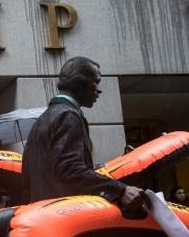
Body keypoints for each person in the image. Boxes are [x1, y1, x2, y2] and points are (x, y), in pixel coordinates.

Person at [23, 56, 148, 212]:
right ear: (79, 82)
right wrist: (120, 190)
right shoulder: (69, 115)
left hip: (45, 213)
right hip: (65, 213)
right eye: (95, 82)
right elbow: (69, 169)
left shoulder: (44, 119)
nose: (99, 89)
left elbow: (45, 172)